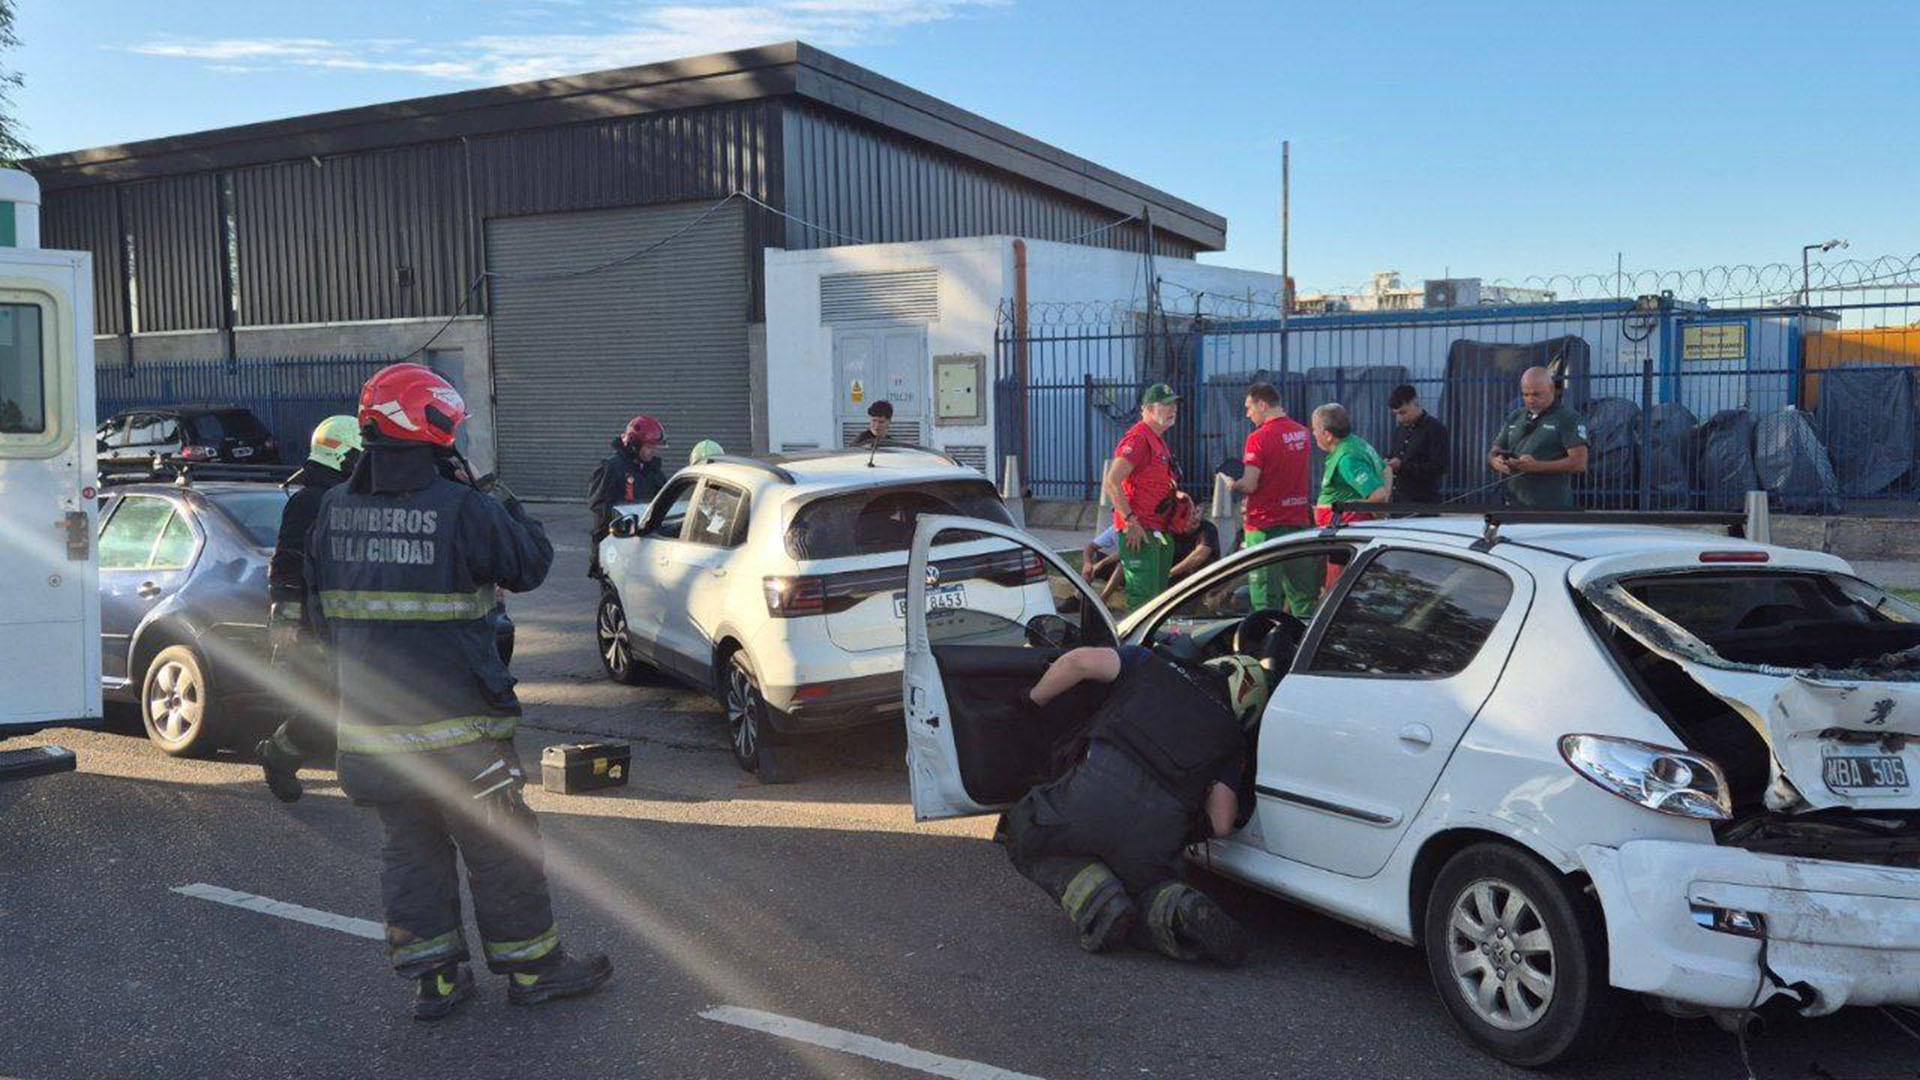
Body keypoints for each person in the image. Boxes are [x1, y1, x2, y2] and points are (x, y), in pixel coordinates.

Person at [307, 362, 612, 1021]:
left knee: (410, 852)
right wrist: (491, 487)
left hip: (371, 732)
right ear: (432, 426)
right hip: (462, 731)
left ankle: (435, 982)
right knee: (500, 847)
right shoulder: (462, 506)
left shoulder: (332, 512)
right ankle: (534, 971)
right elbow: (530, 562)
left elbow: (317, 617)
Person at [997, 644, 1273, 964]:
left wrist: (1032, 700)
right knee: (1146, 887)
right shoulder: (1232, 739)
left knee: (1023, 829)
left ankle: (1099, 903)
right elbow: (1222, 822)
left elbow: (1079, 662)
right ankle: (1173, 909)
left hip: (1087, 803)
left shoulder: (1148, 664)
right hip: (1153, 840)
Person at [255, 415, 363, 803]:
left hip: (348, 620)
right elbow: (287, 561)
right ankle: (278, 755)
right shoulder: (309, 502)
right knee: (326, 708)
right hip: (317, 624)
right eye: (360, 455)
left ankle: (368, 782)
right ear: (344, 455)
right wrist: (286, 616)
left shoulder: (350, 497)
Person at [1221, 382, 1314, 617]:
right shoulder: (1302, 433)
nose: (1247, 413)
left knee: (1265, 596)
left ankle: (1265, 645)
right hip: (1298, 521)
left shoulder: (1258, 438)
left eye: (1249, 407)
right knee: (1302, 593)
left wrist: (1233, 484)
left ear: (1262, 404)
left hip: (1264, 525)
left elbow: (1250, 484)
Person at [1101, 383, 1182, 611]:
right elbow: (1112, 481)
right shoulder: (1138, 439)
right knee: (1142, 600)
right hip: (1141, 530)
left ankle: (1152, 643)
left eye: (1174, 403)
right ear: (1146, 409)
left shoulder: (1158, 440)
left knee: (1157, 601)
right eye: (1165, 404)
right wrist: (1130, 521)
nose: (1172, 408)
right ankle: (1136, 645)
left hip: (1158, 528)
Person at [1489, 366, 1589, 509]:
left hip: (1552, 508)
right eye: (1525, 394)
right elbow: (1494, 451)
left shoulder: (1568, 418)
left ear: (1552, 390)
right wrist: (1495, 461)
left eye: (1536, 394)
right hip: (1513, 505)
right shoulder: (1515, 416)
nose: (1530, 399)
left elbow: (1579, 463)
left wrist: (1537, 466)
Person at [587, 415, 667, 578]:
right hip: (616, 544)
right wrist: (624, 519)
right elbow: (598, 503)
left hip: (642, 545)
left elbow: (664, 501)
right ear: (634, 445)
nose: (653, 451)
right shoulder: (613, 468)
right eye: (649, 447)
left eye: (654, 447)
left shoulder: (653, 471)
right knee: (615, 597)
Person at [1311, 403, 1390, 524]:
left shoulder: (1347, 459)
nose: (1313, 434)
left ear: (1327, 435)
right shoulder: (1356, 443)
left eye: (1315, 429)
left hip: (1344, 530)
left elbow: (1379, 496)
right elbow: (1386, 470)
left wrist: (1353, 509)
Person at [1385, 384, 1449, 506]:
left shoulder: (1435, 429)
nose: (1399, 418)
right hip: (1398, 501)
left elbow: (1440, 466)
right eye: (1396, 414)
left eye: (1403, 413)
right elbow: (1395, 455)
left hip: (1424, 502)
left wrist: (1403, 466)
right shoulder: (1400, 430)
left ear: (1415, 403)